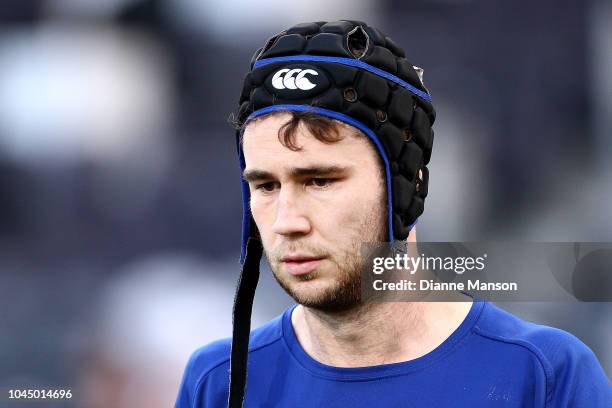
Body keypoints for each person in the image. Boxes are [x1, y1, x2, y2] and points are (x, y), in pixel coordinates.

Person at [175, 20, 611, 407]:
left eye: (320, 181)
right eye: (266, 185)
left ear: (407, 186)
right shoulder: (218, 382)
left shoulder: (543, 376)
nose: (287, 220)